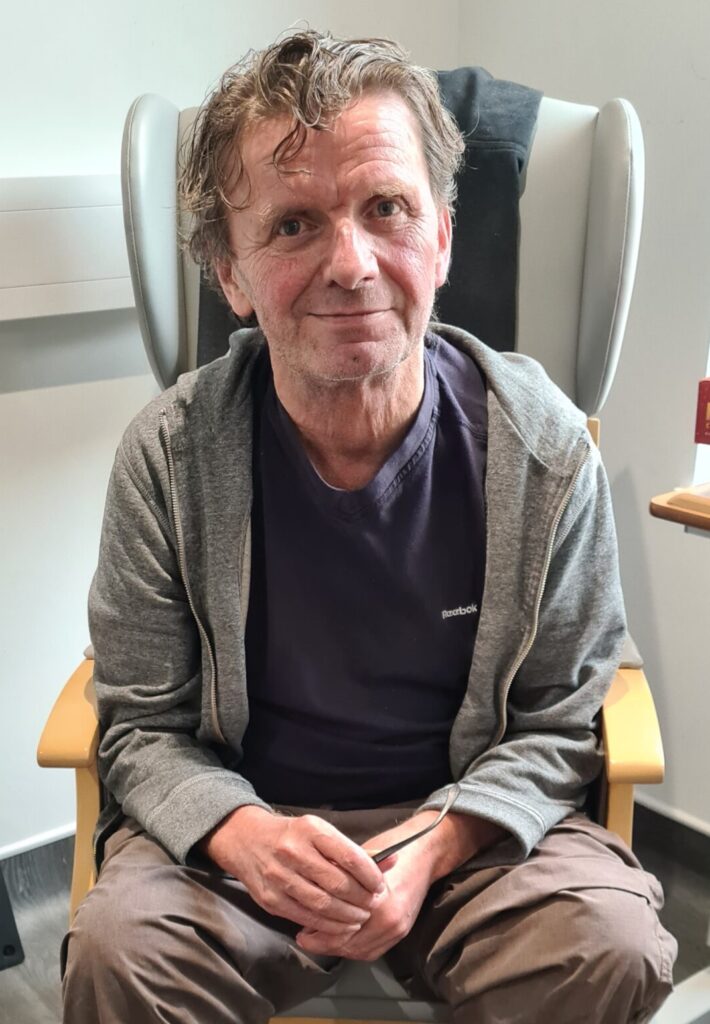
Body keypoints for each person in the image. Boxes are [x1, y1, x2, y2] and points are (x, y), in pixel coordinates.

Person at [62, 30, 676, 1024]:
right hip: (243, 839)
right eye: (294, 224)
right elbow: (141, 724)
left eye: (385, 208)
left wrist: (436, 841)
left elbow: (562, 718)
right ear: (231, 274)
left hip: (466, 842)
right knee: (117, 955)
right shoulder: (166, 458)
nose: (351, 265)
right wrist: (242, 832)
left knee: (603, 946)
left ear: (439, 235)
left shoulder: (545, 451)